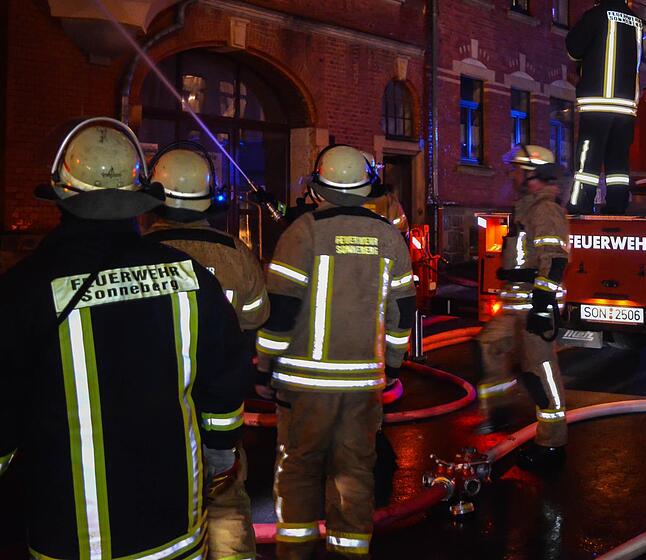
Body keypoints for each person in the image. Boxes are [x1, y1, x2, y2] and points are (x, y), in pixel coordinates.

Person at [0, 118, 245, 560]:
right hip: (177, 536)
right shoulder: (191, 278)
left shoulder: (23, 291)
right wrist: (220, 455)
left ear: (62, 191)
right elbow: (225, 387)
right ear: (139, 198)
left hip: (72, 539)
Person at [257, 144, 415, 558]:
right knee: (354, 474)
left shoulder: (303, 231)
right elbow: (403, 310)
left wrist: (263, 367)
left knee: (299, 471)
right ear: (367, 188)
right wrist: (393, 367)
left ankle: (296, 553)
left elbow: (281, 309)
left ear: (317, 188)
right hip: (363, 384)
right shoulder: (389, 236)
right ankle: (350, 552)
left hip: (304, 386)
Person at [146, 142, 270, 560]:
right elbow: (255, 320)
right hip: (221, 413)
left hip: (157, 414)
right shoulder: (237, 254)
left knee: (162, 512)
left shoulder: (137, 255)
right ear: (208, 198)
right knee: (228, 505)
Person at [476, 145, 571, 470]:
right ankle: (498, 413)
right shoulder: (526, 207)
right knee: (491, 345)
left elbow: (555, 259)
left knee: (540, 372)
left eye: (518, 169)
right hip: (515, 302)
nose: (513, 174)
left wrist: (543, 306)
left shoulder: (544, 210)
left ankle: (552, 443)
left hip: (533, 304)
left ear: (532, 174)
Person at [565, 0, 644, 215]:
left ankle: (580, 204)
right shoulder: (637, 22)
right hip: (626, 107)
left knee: (588, 159)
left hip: (598, 104)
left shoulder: (596, 15)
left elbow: (573, 48)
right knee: (618, 161)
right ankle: (617, 206)